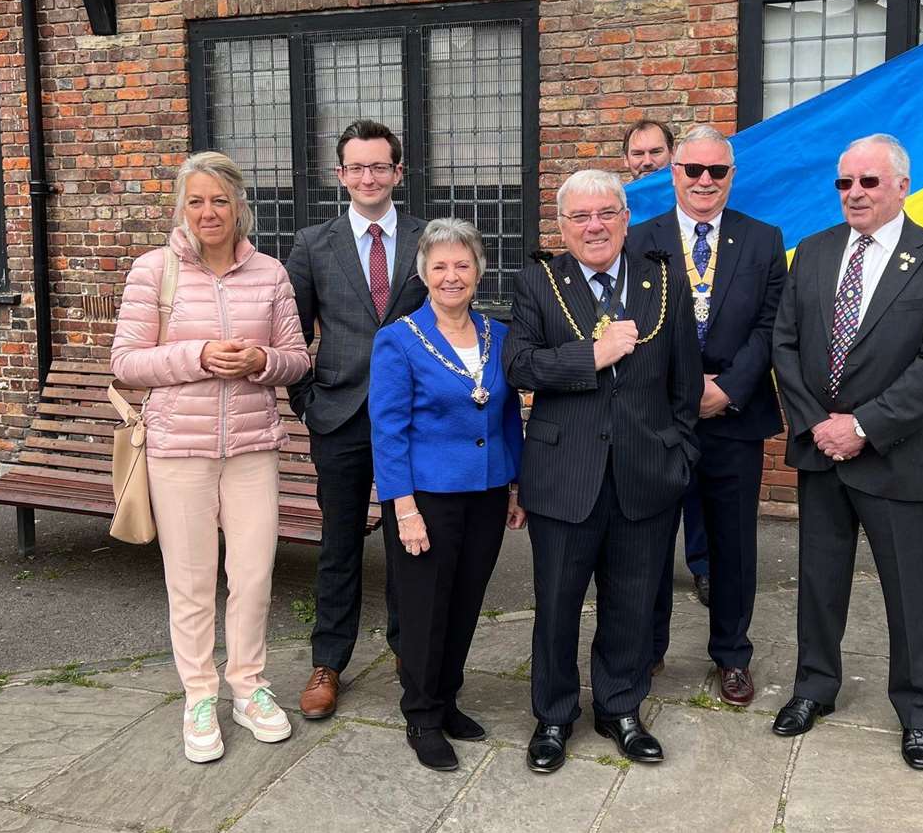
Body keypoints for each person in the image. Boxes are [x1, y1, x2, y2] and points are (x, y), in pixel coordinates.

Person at [770, 134, 923, 771]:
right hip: (822, 456)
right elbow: (786, 346)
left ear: (902, 186)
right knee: (818, 582)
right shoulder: (813, 252)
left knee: (910, 593)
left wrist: (859, 426)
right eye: (844, 183)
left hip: (895, 454)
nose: (854, 193)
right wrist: (816, 426)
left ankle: (919, 712)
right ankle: (814, 688)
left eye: (868, 182)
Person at [111, 151, 312, 764]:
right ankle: (199, 693)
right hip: (181, 451)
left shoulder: (270, 273)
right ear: (182, 207)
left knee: (252, 577)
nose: (208, 212)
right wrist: (197, 355)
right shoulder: (154, 271)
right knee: (192, 583)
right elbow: (126, 362)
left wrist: (261, 362)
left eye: (219, 200)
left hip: (252, 447)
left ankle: (247, 686)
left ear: (239, 205)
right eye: (196, 201)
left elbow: (298, 357)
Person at [505, 169, 702, 774]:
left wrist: (680, 453)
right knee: (558, 603)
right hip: (565, 475)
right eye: (580, 217)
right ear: (562, 226)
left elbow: (685, 382)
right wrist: (591, 356)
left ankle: (620, 708)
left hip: (646, 474)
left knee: (634, 602)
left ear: (625, 218)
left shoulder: (661, 281)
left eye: (606, 214)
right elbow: (519, 365)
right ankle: (554, 715)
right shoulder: (539, 282)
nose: (594, 226)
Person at [631, 125, 785, 707]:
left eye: (716, 172)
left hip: (735, 417)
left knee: (732, 546)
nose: (703, 181)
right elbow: (633, 323)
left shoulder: (763, 239)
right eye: (692, 170)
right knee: (648, 541)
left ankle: (732, 654)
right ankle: (646, 650)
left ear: (731, 177)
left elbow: (774, 325)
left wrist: (729, 388)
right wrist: (684, 387)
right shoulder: (639, 239)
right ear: (673, 173)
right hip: (660, 418)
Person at [369, 218, 526, 771]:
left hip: (485, 492)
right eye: (440, 266)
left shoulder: (498, 335)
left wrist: (514, 484)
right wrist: (403, 508)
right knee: (423, 609)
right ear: (423, 274)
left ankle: (448, 698)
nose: (452, 276)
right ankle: (421, 713)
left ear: (479, 272)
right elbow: (387, 432)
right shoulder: (398, 340)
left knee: (464, 604)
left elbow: (508, 414)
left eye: (463, 264)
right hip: (426, 500)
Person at [285, 120, 427, 720]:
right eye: (356, 167)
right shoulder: (313, 245)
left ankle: (410, 651)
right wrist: (307, 402)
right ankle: (329, 660)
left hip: (414, 420)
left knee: (410, 541)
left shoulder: (429, 239)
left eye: (380, 166)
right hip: (339, 415)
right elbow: (288, 332)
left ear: (398, 172)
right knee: (339, 544)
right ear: (340, 175)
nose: (369, 177)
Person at [622, 118, 711, 607]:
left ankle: (702, 565)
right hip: (653, 377)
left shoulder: (695, 200)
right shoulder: (624, 218)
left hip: (709, 374)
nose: (646, 161)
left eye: (656, 152)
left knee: (698, 483)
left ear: (672, 158)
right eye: (637, 153)